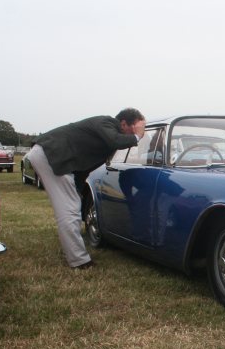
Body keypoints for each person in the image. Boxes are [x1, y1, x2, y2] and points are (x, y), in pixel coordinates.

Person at [25, 108, 146, 269]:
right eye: (134, 128)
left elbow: (84, 167)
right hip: (52, 154)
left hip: (52, 155)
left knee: (71, 204)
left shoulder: (107, 133)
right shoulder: (106, 122)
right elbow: (115, 140)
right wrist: (138, 136)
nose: (136, 133)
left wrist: (78, 190)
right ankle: (79, 261)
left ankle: (76, 255)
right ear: (123, 123)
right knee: (69, 210)